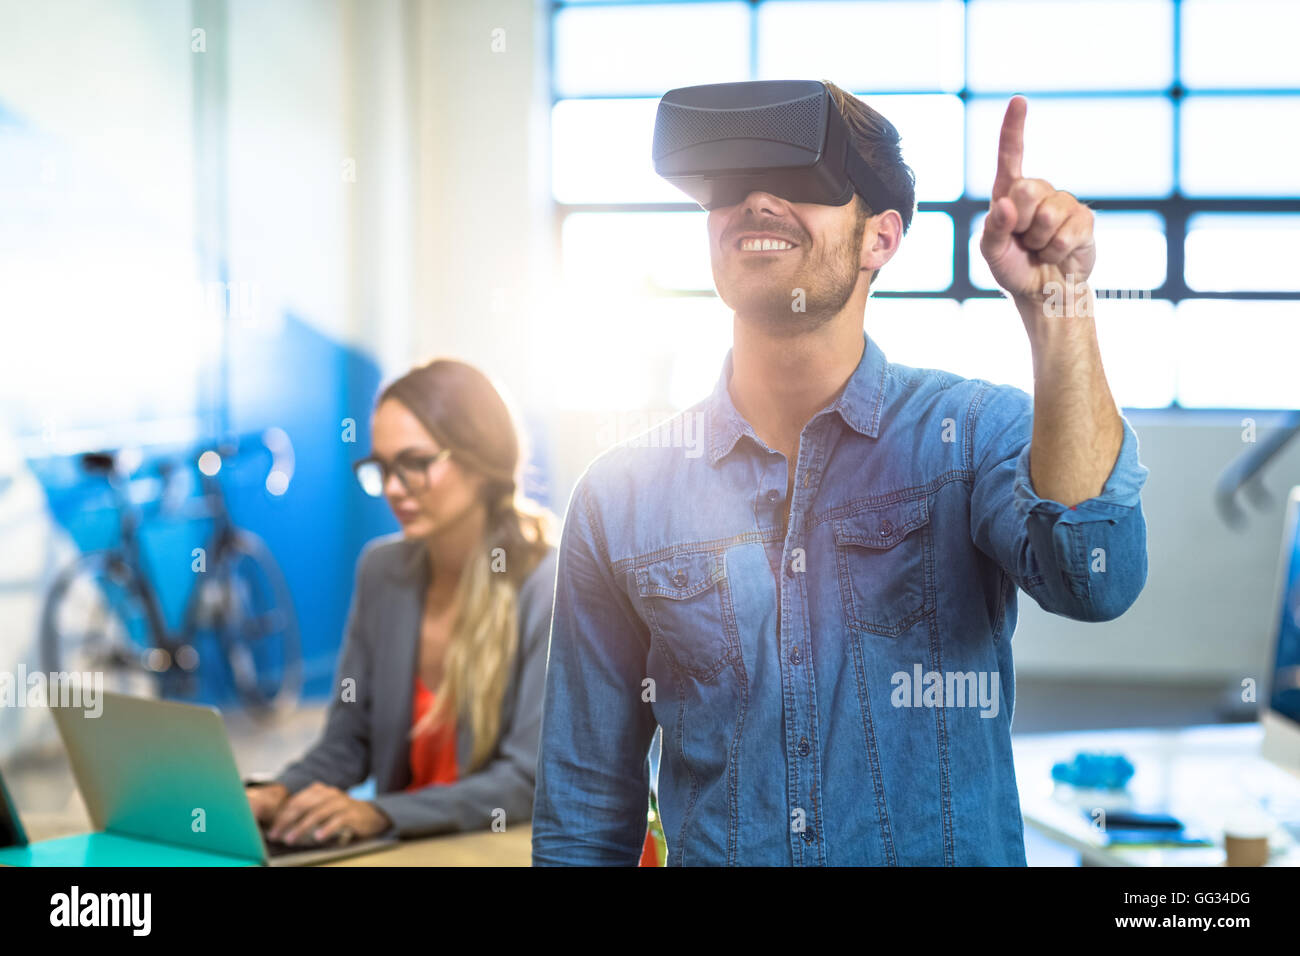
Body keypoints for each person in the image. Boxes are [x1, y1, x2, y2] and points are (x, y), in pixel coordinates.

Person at [532, 85, 1150, 865]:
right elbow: (585, 811)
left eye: (800, 180)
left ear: (880, 238)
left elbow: (1098, 580)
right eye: (731, 183)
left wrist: (1061, 310)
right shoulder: (617, 500)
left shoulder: (967, 437)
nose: (757, 199)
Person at [246, 358, 557, 844]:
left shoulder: (549, 584)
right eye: (382, 468)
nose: (392, 488)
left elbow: (526, 783)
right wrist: (275, 793)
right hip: (401, 848)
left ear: (481, 460)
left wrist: (381, 814)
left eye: (414, 463)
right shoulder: (382, 571)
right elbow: (347, 745)